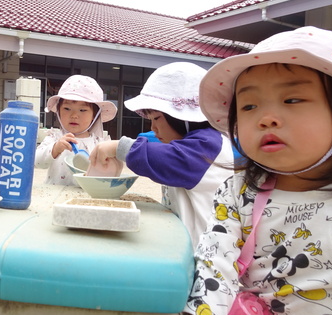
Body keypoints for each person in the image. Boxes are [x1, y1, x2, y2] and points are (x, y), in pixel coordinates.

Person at [170, 26, 332, 315]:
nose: (266, 118)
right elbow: (217, 264)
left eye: (292, 100)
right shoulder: (239, 193)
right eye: (248, 105)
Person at [90, 62, 234, 246]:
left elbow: (168, 159)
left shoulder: (209, 145)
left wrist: (120, 147)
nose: (154, 127)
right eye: (150, 119)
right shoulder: (192, 141)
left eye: (157, 118)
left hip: (206, 255)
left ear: (183, 117)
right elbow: (152, 142)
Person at [35, 74, 117, 185]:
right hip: (55, 196)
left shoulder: (100, 144)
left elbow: (110, 174)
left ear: (94, 115)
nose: (74, 115)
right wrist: (55, 148)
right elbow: (37, 162)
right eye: (67, 108)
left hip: (86, 198)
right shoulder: (55, 138)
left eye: (82, 110)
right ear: (58, 112)